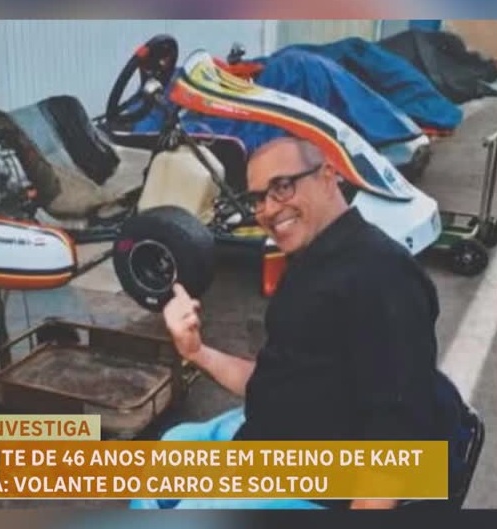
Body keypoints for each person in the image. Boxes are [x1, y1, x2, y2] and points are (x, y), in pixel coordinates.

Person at [132, 135, 445, 510]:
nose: (268, 209)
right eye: (258, 198)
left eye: (282, 186)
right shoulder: (312, 261)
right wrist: (196, 351)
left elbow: (398, 424)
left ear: (327, 175)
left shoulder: (382, 274)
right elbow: (276, 379)